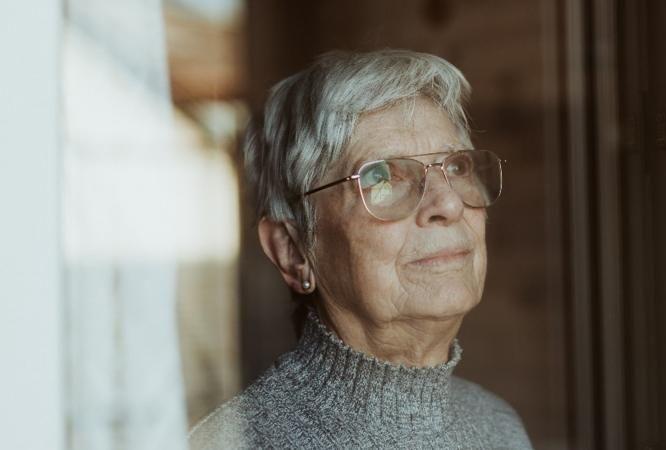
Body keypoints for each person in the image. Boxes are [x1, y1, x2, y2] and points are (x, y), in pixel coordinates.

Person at [188, 49, 534, 449]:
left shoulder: (498, 427)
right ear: (293, 250)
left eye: (457, 167)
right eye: (383, 177)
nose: (449, 204)